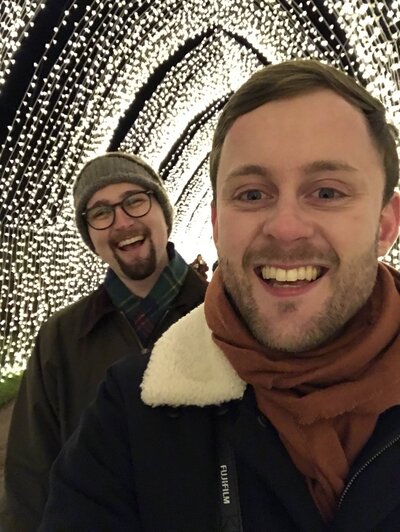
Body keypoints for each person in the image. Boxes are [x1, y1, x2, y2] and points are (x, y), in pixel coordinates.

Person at [40, 60, 400, 531]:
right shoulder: (128, 418)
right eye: (251, 195)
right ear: (215, 224)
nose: (286, 227)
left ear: (385, 225)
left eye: (327, 192)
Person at [0, 152, 207, 532]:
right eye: (100, 213)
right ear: (91, 237)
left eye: (135, 201)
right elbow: (30, 474)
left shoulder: (221, 319)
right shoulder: (62, 338)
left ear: (163, 212)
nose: (121, 222)